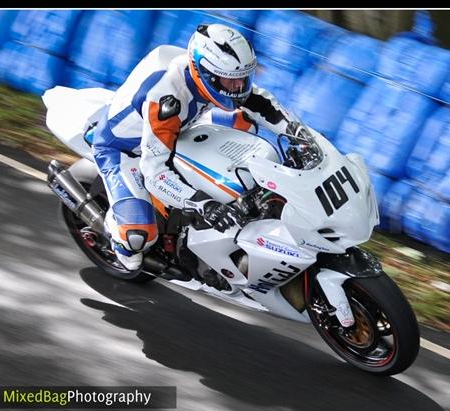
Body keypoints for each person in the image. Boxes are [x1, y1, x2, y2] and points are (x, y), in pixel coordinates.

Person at [91, 23, 310, 272]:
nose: (238, 89)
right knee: (137, 241)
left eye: (243, 79)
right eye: (230, 82)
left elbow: (264, 106)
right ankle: (115, 227)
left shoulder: (217, 74)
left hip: (183, 128)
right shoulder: (166, 98)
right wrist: (202, 204)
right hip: (126, 149)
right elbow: (154, 172)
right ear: (203, 72)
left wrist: (301, 135)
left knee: (244, 120)